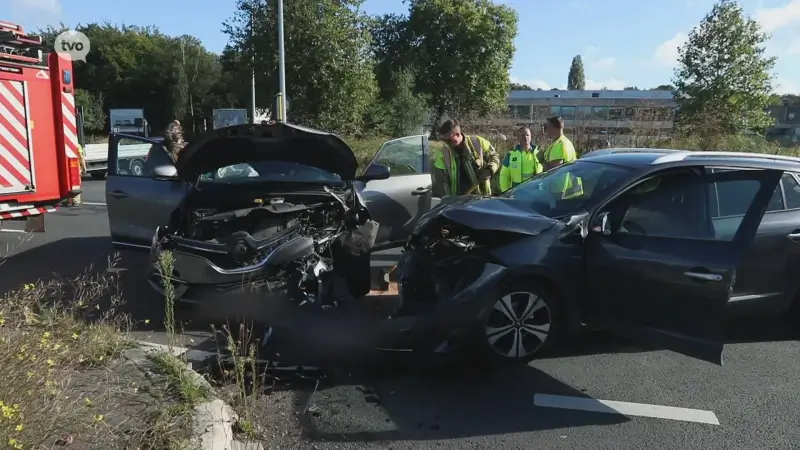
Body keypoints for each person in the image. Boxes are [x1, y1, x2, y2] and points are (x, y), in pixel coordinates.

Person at [432, 119, 500, 197]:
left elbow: (494, 156)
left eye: (448, 140)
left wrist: (490, 170)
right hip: (458, 200)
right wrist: (448, 200)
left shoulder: (477, 142)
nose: (445, 143)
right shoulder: (442, 153)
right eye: (443, 140)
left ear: (457, 134)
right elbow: (441, 181)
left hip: (481, 198)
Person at [539, 116, 583, 199]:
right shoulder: (563, 142)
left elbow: (554, 170)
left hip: (561, 192)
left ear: (552, 127)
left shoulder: (560, 144)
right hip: (567, 191)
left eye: (547, 127)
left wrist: (540, 160)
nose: (545, 130)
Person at [498, 126, 543, 192]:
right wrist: (505, 191)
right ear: (518, 138)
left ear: (531, 137)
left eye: (527, 135)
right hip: (516, 190)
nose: (525, 137)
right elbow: (504, 175)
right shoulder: (511, 155)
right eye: (522, 135)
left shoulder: (538, 153)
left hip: (534, 190)